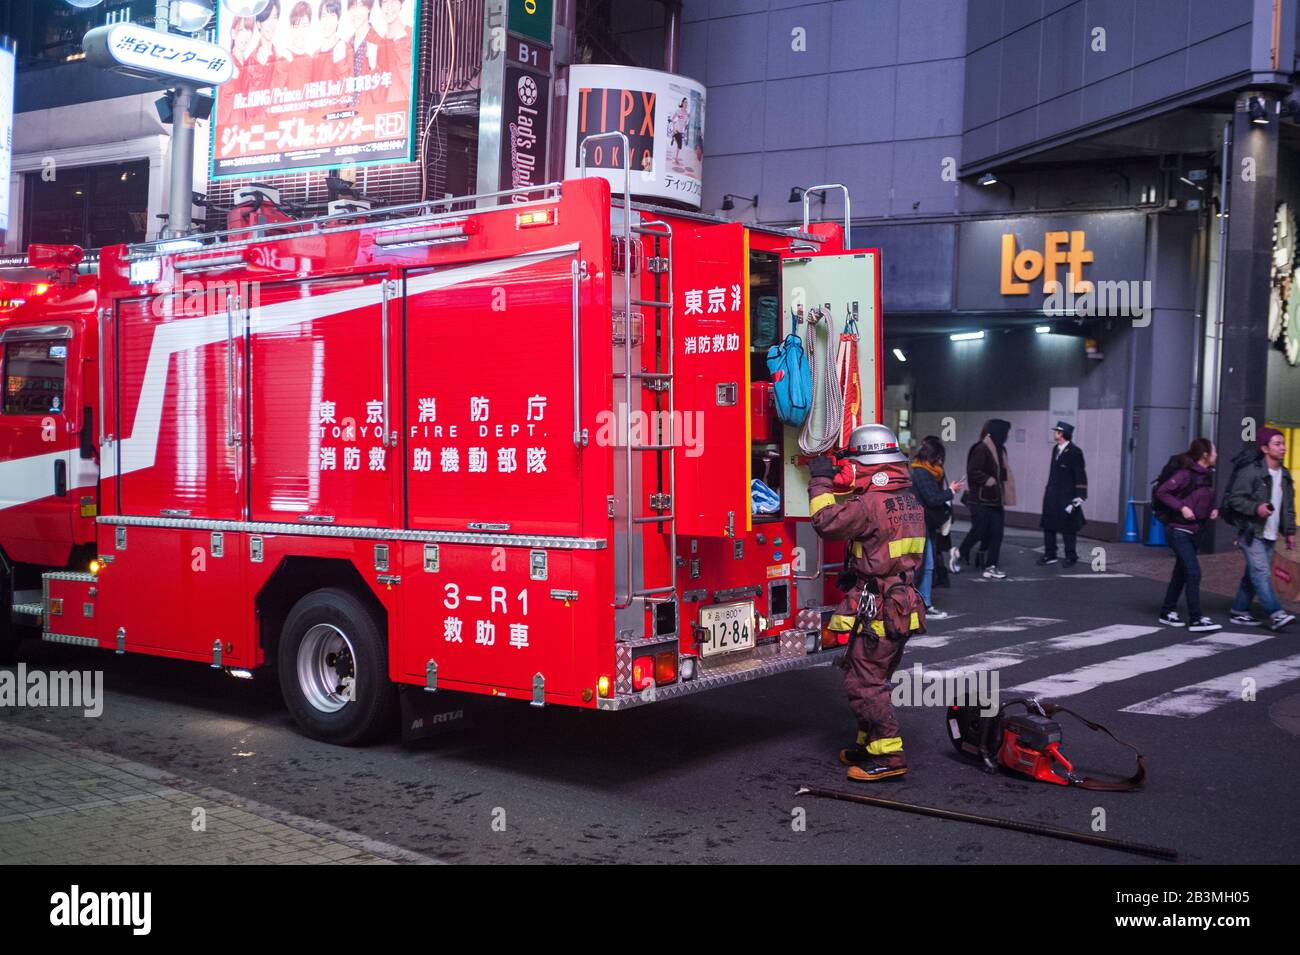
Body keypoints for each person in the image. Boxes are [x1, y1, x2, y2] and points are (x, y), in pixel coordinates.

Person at [807, 423, 927, 783]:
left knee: (864, 683)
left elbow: (824, 521)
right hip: (900, 603)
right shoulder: (907, 498)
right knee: (870, 675)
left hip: (880, 606)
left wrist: (821, 481)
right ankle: (869, 744)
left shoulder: (869, 504)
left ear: (869, 463)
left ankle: (890, 756)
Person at [1225, 427, 1297, 631]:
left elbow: (1288, 506)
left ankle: (1239, 611)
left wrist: (1290, 532)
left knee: (1253, 573)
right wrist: (1256, 508)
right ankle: (1275, 613)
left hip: (1271, 533)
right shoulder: (1252, 472)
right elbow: (1235, 500)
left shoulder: (1284, 473)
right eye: (1277, 444)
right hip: (1251, 532)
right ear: (1265, 448)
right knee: (1261, 572)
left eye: (1283, 444)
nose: (1283, 448)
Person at [1155, 438, 1221, 632]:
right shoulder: (1185, 474)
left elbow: (1204, 498)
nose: (1216, 454)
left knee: (1182, 572)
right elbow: (1162, 492)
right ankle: (1196, 618)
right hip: (1179, 531)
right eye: (1214, 451)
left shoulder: (1207, 475)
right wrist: (1181, 507)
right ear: (1205, 455)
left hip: (1196, 532)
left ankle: (1167, 611)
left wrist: (1213, 509)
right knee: (1193, 572)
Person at [909, 436, 964, 620]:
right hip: (921, 524)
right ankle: (916, 605)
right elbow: (932, 498)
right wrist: (950, 491)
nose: (941, 461)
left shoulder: (928, 471)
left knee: (928, 565)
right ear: (934, 455)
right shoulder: (922, 473)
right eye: (940, 457)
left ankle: (925, 604)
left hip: (928, 524)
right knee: (922, 566)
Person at [954, 418, 1015, 579]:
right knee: (978, 531)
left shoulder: (1001, 450)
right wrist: (990, 480)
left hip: (996, 499)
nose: (1008, 435)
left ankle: (991, 566)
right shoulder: (981, 448)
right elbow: (972, 470)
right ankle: (959, 553)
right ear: (999, 432)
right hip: (980, 499)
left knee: (997, 533)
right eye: (1006, 431)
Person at [1038, 420, 1088, 567]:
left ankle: (1071, 555)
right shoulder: (1056, 449)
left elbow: (1080, 474)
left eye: (1057, 431)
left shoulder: (1075, 452)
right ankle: (1050, 554)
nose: (1055, 433)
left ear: (1062, 434)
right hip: (1052, 494)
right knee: (1049, 524)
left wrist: (1080, 496)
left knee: (1068, 526)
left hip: (1067, 495)